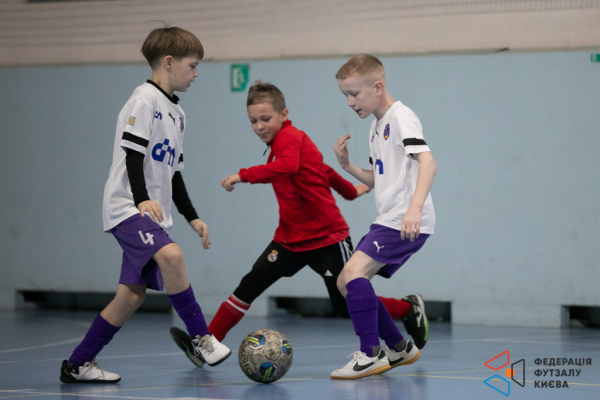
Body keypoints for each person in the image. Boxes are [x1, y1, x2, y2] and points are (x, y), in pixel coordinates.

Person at [170, 81, 427, 368]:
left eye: (265, 119)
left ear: (284, 114)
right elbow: (321, 168)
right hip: (289, 240)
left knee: (347, 303)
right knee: (248, 287)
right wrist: (349, 191)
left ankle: (407, 308)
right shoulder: (285, 144)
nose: (259, 126)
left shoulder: (290, 138)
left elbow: (289, 167)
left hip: (327, 238)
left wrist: (242, 175)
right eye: (253, 121)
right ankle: (206, 345)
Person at [59, 27, 230, 384]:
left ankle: (77, 364)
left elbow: (174, 173)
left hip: (151, 214)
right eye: (192, 65)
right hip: (127, 208)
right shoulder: (144, 99)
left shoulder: (178, 113)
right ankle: (202, 338)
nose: (196, 73)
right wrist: (140, 199)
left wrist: (192, 217)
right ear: (168, 62)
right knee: (172, 257)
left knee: (130, 297)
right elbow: (132, 154)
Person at [330, 54, 437, 380]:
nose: (350, 103)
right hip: (387, 218)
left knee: (353, 273)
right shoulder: (376, 127)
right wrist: (347, 166)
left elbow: (428, 162)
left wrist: (415, 208)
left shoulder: (401, 117)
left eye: (354, 94)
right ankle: (399, 347)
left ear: (377, 87)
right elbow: (379, 179)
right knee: (345, 282)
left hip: (404, 218)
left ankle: (370, 354)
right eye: (345, 95)